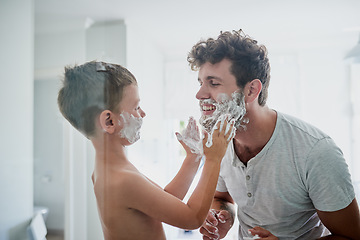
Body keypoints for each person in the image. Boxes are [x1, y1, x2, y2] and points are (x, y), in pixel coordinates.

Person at [187, 30, 360, 239]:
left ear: (251, 90)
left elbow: (351, 236)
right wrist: (224, 216)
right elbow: (222, 196)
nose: (199, 94)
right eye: (200, 83)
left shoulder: (316, 152)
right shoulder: (218, 143)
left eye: (213, 83)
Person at [57, 61, 235, 240]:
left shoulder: (111, 171)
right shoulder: (122, 180)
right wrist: (213, 159)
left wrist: (193, 158)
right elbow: (192, 218)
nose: (143, 113)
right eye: (136, 107)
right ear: (109, 122)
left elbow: (165, 199)